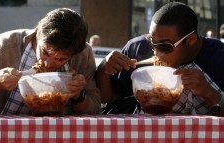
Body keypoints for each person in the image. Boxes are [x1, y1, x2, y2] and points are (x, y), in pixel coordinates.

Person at [0, 8, 101, 115]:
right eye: (45, 53)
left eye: (60, 59)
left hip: (60, 137)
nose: (48, 64)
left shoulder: (83, 55)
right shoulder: (2, 46)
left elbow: (95, 109)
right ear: (37, 34)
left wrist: (78, 95)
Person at [96, 2, 224, 116]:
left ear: (191, 40)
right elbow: (108, 97)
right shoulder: (137, 48)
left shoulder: (219, 57)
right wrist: (104, 69)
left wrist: (209, 93)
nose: (156, 52)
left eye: (164, 46)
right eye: (151, 42)